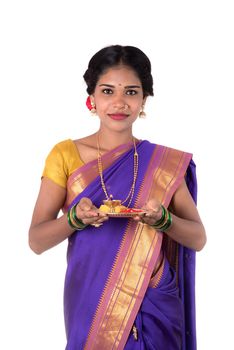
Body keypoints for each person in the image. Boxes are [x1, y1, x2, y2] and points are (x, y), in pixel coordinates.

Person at [29, 45, 206, 350]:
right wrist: (73, 219)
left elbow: (198, 238)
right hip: (91, 300)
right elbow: (37, 240)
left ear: (144, 100)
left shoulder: (163, 164)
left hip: (152, 297)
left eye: (132, 92)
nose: (120, 102)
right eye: (108, 91)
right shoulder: (65, 155)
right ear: (92, 98)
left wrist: (164, 219)